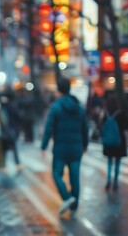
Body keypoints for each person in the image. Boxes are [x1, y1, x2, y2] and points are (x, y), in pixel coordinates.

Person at [41, 78, 89, 215]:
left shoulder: (55, 107)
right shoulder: (79, 107)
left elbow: (49, 128)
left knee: (56, 173)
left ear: (59, 90)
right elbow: (84, 128)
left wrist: (44, 146)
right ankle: (74, 205)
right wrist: (85, 145)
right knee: (75, 177)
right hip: (76, 148)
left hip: (61, 148)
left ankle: (67, 198)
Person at [101, 94, 128, 191]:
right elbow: (126, 127)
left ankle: (108, 180)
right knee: (117, 162)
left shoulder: (106, 114)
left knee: (109, 162)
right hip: (119, 142)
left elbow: (102, 126)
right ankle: (115, 181)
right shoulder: (121, 114)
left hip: (108, 142)